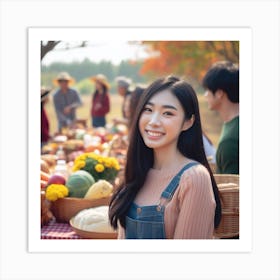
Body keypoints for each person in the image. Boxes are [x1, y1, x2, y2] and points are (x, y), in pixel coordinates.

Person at [109, 75, 222, 239]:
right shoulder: (137, 172)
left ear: (188, 122)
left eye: (167, 113)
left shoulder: (194, 178)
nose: (153, 121)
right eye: (148, 110)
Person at [202, 61, 239, 174]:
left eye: (207, 90)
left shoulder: (230, 140)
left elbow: (233, 189)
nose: (205, 95)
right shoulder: (231, 124)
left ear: (219, 93)